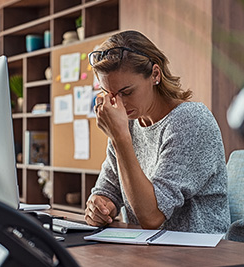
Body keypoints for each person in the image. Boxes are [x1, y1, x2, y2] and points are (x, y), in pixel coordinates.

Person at [84, 30, 230, 234]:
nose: (119, 103)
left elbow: (152, 216)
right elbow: (108, 189)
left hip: (199, 254)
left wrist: (120, 138)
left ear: (155, 74)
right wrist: (99, 206)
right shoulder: (129, 124)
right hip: (147, 251)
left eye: (127, 92)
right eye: (110, 94)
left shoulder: (190, 120)